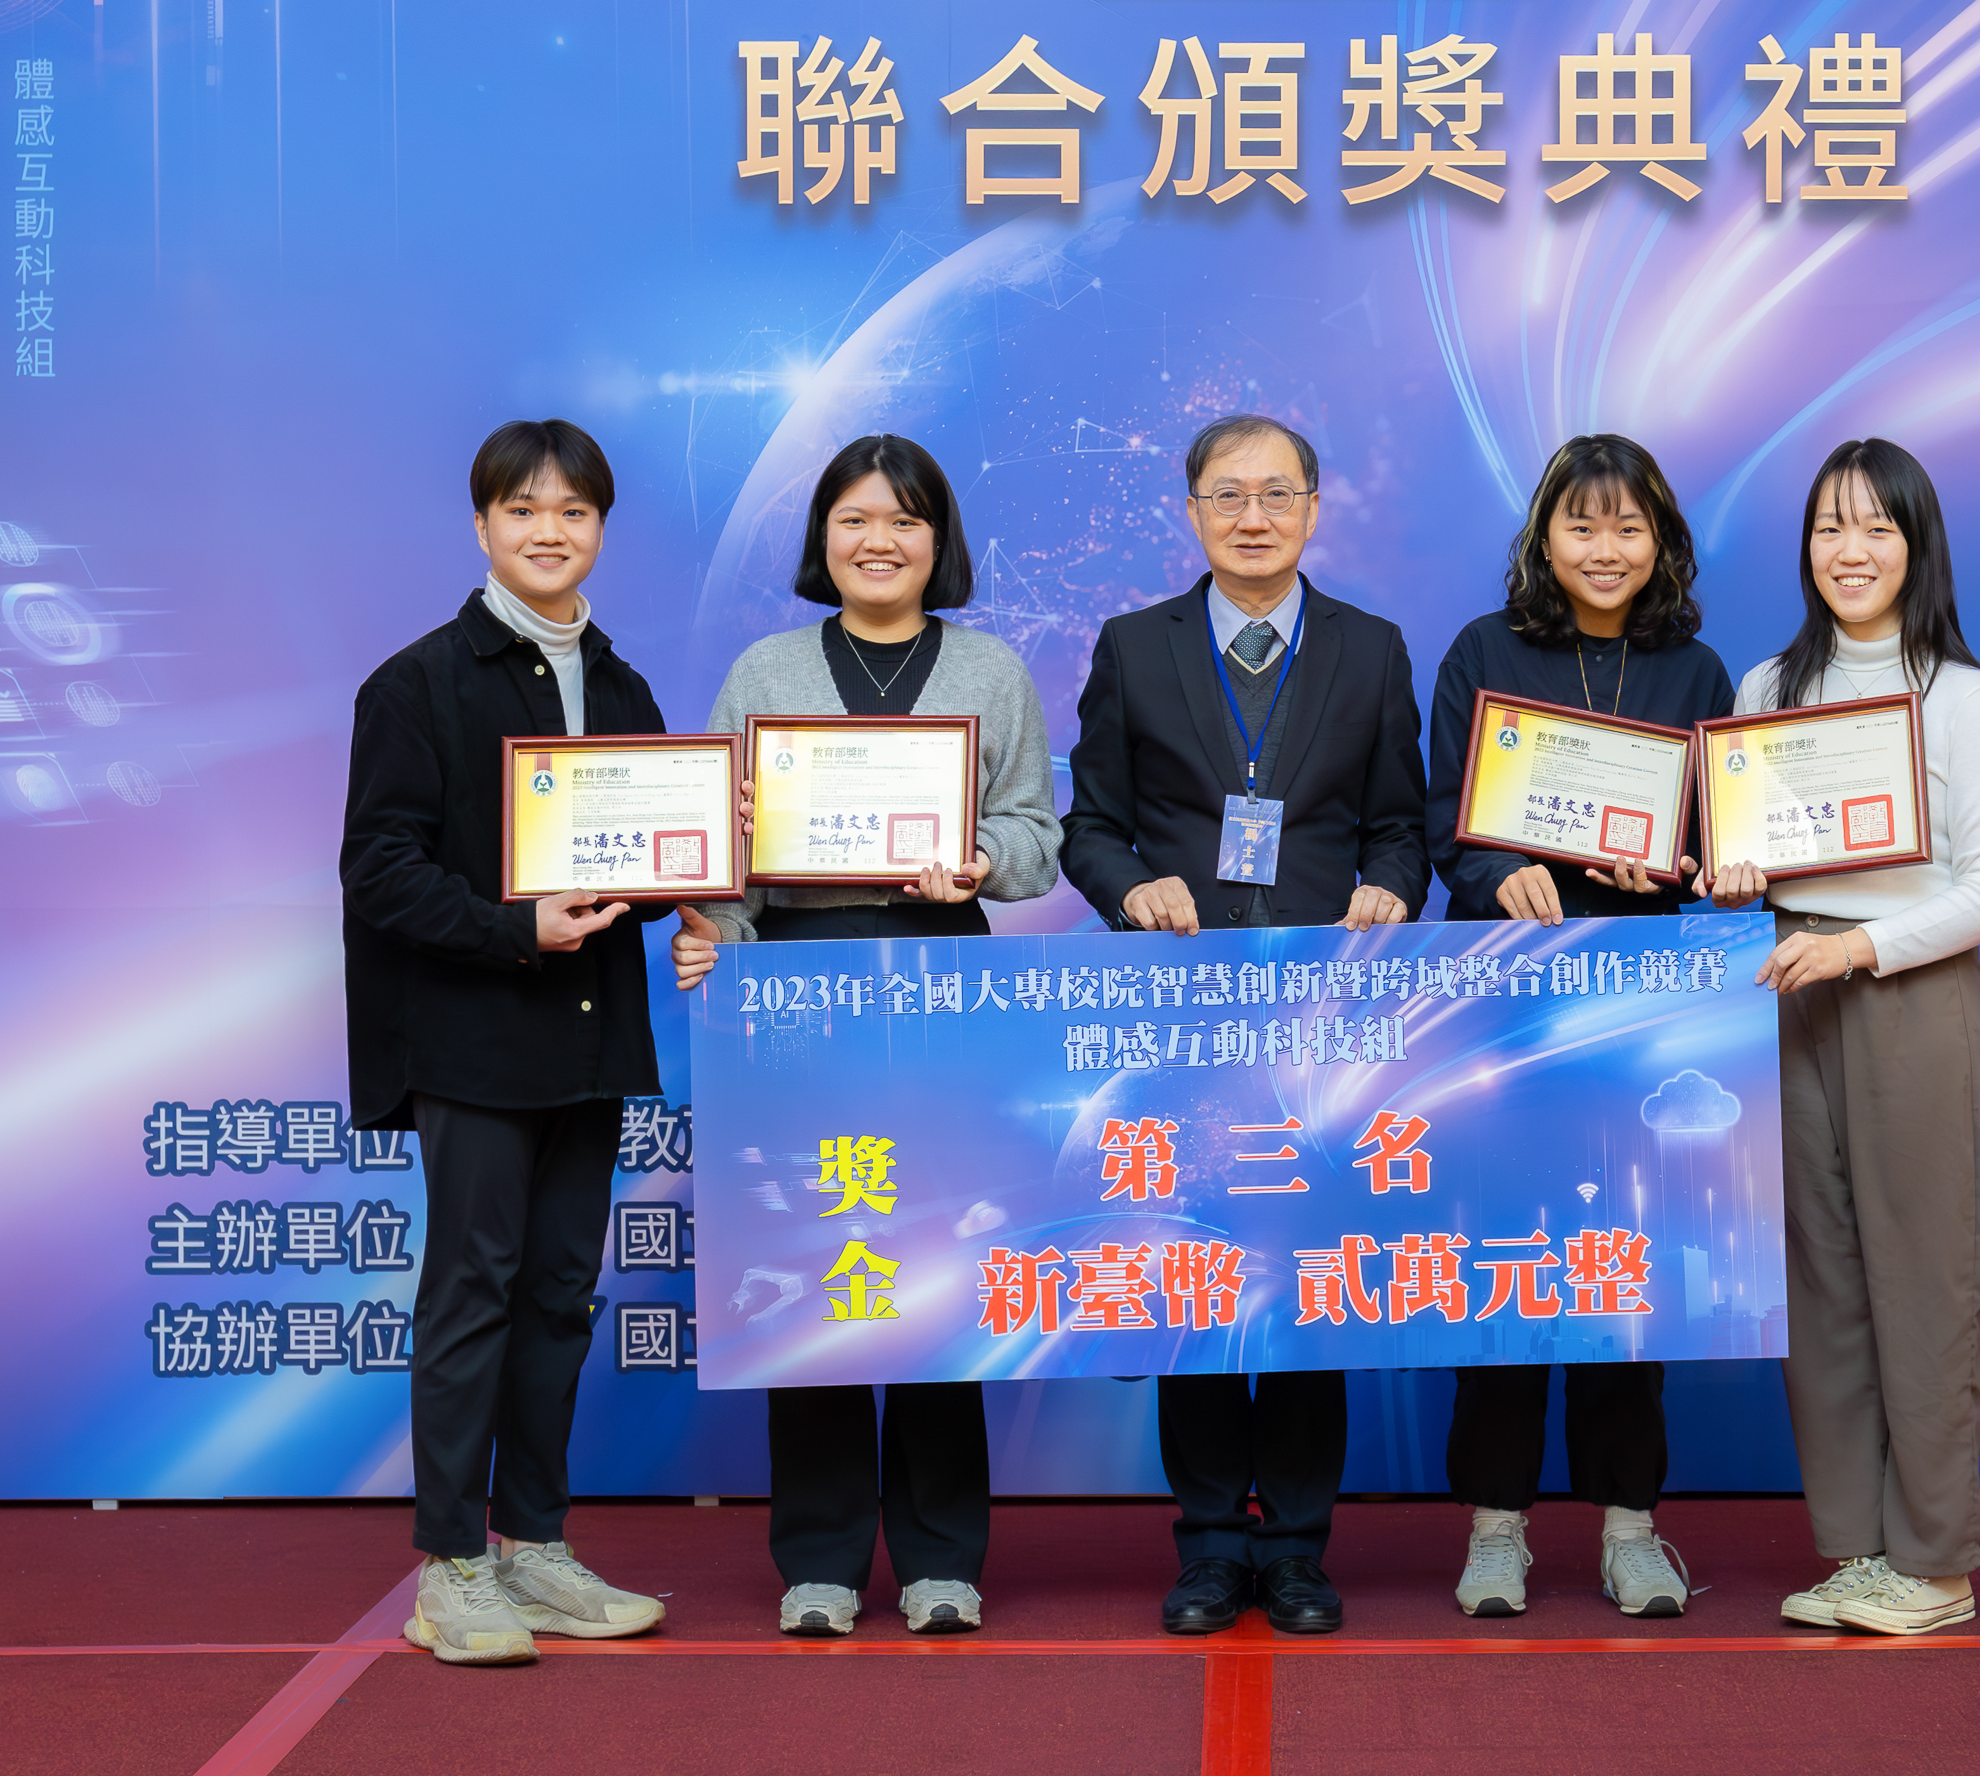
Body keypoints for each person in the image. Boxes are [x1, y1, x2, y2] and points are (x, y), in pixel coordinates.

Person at [675, 434, 1061, 1640]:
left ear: (938, 541)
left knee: (943, 1261)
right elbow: (720, 846)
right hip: (799, 998)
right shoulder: (767, 669)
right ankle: (822, 1557)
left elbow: (1038, 836)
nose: (877, 540)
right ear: (823, 538)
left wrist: (981, 857)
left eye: (903, 519)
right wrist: (719, 946)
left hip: (946, 992)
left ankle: (944, 1555)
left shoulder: (990, 669)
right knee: (817, 1267)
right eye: (853, 518)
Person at [1061, 413, 1428, 1638]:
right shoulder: (1136, 645)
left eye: (1278, 493)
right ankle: (1214, 1544)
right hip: (1184, 1015)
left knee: (1308, 1278)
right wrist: (1129, 890)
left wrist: (1393, 888)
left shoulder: (1372, 648)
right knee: (1199, 1274)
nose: (1253, 515)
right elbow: (1090, 827)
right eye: (1228, 494)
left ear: (1314, 508)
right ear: (1193, 511)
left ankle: (1302, 1548)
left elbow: (1401, 825)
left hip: (1325, 1024)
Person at [342, 420, 687, 1668]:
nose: (551, 530)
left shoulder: (625, 687)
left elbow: (645, 865)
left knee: (557, 1299)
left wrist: (703, 869)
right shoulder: (417, 683)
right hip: (474, 1042)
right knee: (472, 1289)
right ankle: (452, 1566)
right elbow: (379, 869)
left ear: (601, 527)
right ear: (482, 524)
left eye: (574, 511)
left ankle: (535, 1544)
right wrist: (512, 926)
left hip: (590, 1045)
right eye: (524, 508)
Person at [1709, 439, 1980, 1639]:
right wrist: (1735, 878)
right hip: (1788, 989)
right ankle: (1858, 1547)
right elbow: (1755, 856)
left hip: (1907, 991)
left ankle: (1935, 1563)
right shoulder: (1766, 686)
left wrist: (1858, 947)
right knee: (1820, 1281)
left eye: (1876, 527)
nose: (1850, 550)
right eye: (1829, 527)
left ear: (1916, 544)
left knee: (1924, 1272)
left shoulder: (1960, 694)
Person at [1424, 434, 1734, 1620]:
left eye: (1628, 527)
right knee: (1504, 1264)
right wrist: (1493, 868)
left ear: (1662, 542)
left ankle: (1630, 1527)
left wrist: (1684, 863)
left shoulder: (1695, 670)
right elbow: (1442, 818)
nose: (1605, 549)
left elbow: (1711, 839)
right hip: (1504, 1006)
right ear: (1543, 537)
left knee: (1626, 1265)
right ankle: (1495, 1527)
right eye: (1582, 525)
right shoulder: (1484, 651)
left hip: (1638, 1015)